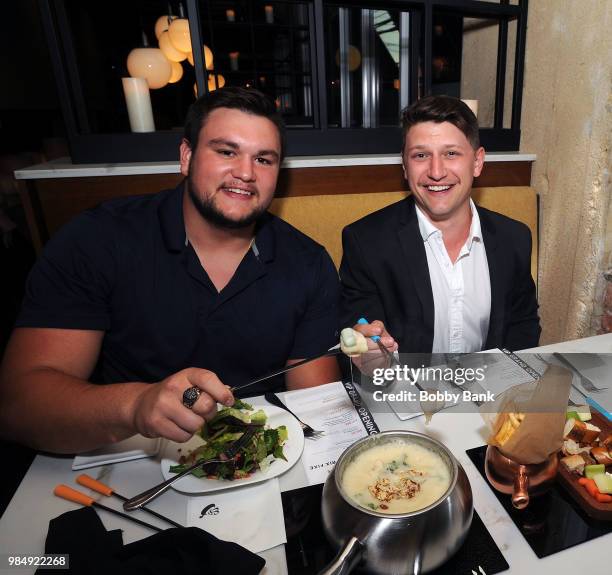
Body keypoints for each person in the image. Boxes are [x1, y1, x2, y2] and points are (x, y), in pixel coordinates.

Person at [0, 87, 340, 453]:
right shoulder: (98, 239)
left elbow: (316, 407)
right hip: (129, 457)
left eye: (264, 159)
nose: (245, 172)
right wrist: (135, 405)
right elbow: (18, 407)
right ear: (186, 156)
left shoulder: (309, 262)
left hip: (261, 455)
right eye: (226, 151)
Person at [340, 95, 540, 356]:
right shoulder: (367, 242)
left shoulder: (514, 238)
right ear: (404, 165)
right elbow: (364, 339)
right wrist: (370, 357)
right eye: (421, 155)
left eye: (451, 153)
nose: (436, 171)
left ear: (477, 162)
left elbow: (522, 330)